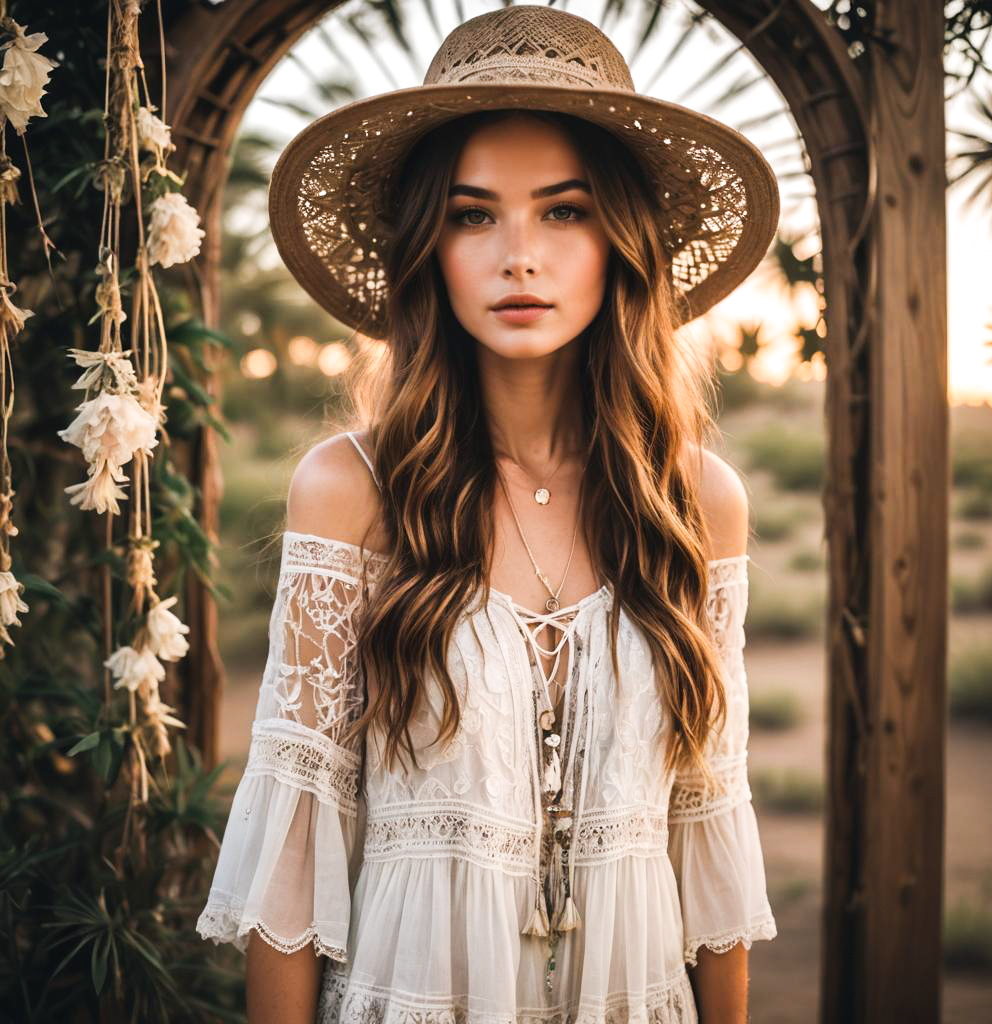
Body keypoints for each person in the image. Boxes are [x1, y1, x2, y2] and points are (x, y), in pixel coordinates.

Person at [197, 6, 780, 1023]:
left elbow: (708, 822)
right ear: (429, 247)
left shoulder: (695, 502)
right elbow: (298, 849)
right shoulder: (348, 491)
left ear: (621, 243)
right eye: (473, 215)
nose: (519, 255)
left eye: (563, 211)